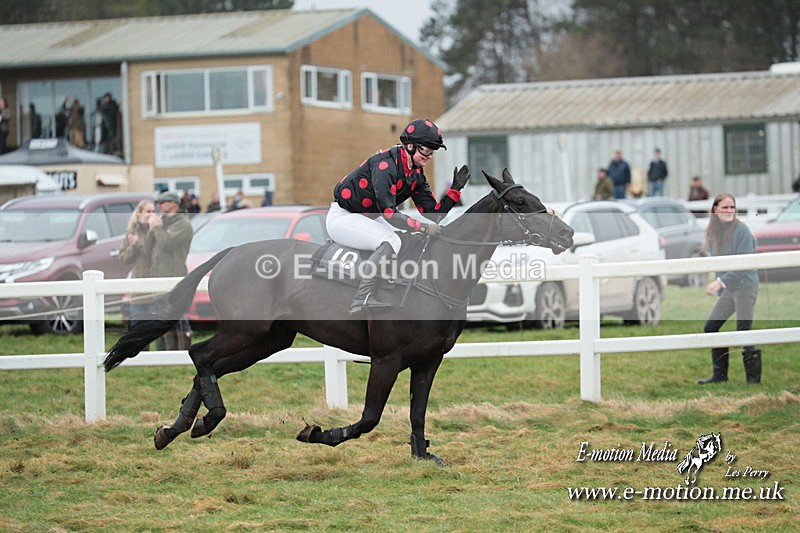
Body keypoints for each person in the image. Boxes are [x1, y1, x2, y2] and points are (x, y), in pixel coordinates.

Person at [326, 118, 470, 314]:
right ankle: (362, 298)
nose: (429, 156)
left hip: (367, 217)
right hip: (343, 217)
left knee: (407, 239)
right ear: (410, 146)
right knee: (391, 240)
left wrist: (455, 190)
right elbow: (389, 213)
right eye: (426, 150)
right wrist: (422, 227)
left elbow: (435, 214)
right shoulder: (385, 166)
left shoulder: (416, 174)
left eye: (431, 151)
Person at [698, 193, 761, 385]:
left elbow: (745, 264)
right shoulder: (713, 232)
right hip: (729, 288)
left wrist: (720, 282)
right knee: (711, 327)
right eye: (725, 207)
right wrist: (722, 287)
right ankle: (720, 376)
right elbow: (720, 264)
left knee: (744, 331)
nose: (729, 211)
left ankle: (753, 381)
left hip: (745, 286)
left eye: (732, 207)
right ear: (715, 210)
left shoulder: (741, 230)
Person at [145, 191, 194, 350]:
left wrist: (158, 229)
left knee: (176, 318)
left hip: (174, 277)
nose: (159, 205)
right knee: (162, 319)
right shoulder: (162, 223)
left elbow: (168, 244)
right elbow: (147, 250)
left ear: (174, 204)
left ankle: (181, 353)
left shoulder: (183, 224)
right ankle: (163, 353)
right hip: (158, 278)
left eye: (163, 202)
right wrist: (152, 229)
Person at [120, 199, 156, 341]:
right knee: (137, 329)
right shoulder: (132, 231)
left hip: (155, 287)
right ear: (140, 213)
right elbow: (123, 257)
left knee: (154, 328)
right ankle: (140, 357)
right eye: (148, 211)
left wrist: (137, 243)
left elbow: (153, 252)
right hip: (138, 288)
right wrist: (133, 246)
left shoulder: (157, 230)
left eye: (153, 211)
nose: (151, 215)